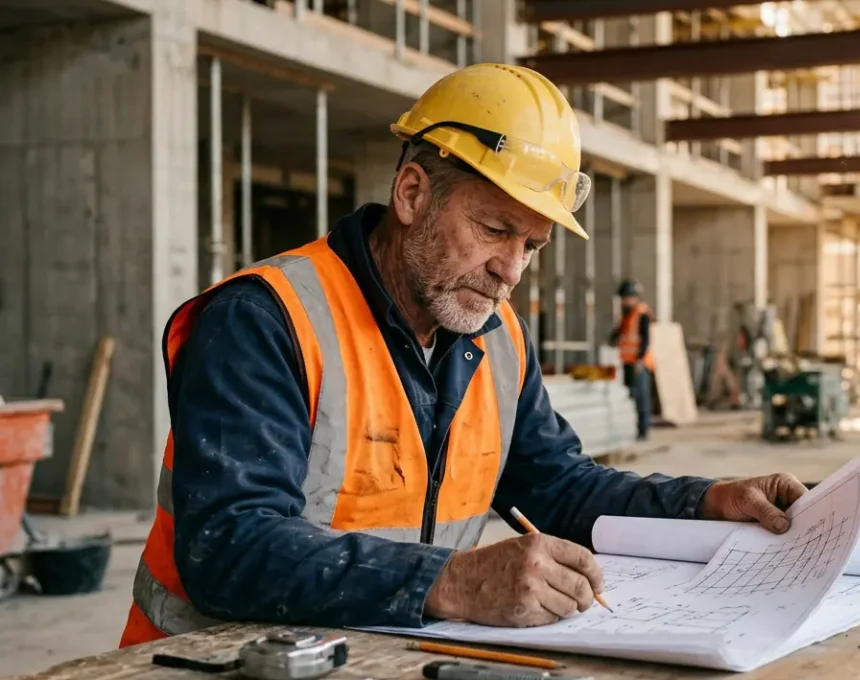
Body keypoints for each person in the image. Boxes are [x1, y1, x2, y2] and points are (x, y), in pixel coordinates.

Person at [119, 64, 808, 646]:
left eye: (531, 246)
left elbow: (559, 489)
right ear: (412, 194)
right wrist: (451, 581)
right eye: (494, 229)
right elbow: (228, 546)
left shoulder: (497, 337)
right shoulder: (265, 319)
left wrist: (704, 502)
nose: (511, 269)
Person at [610, 280, 653, 440]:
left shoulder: (642, 314)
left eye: (626, 298)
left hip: (639, 363)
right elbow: (618, 333)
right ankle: (634, 428)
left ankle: (643, 430)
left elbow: (645, 339)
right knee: (631, 395)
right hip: (627, 361)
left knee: (641, 396)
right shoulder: (625, 315)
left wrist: (640, 360)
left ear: (634, 297)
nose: (624, 301)